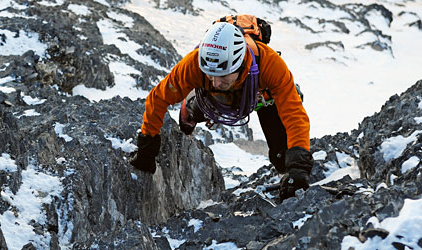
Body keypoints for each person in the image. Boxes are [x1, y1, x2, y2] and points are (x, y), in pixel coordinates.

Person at [130, 21, 314, 201]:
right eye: (211, 75)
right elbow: (158, 98)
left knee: (281, 159)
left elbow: (294, 114)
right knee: (217, 97)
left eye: (223, 75)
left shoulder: (269, 63)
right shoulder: (194, 64)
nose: (216, 82)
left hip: (261, 97)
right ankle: (193, 104)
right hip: (216, 97)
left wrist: (298, 167)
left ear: (240, 64)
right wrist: (147, 145)